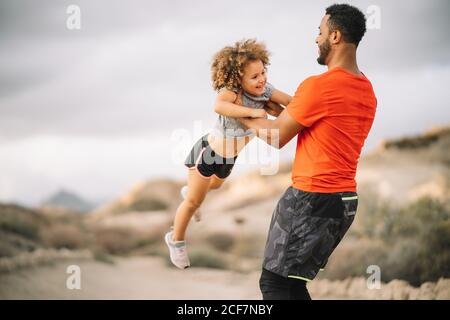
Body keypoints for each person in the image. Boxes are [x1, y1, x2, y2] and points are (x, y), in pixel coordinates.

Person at [239, 4, 377, 299]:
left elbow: (276, 137)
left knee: (274, 284)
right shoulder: (367, 89)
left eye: (320, 32)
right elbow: (316, 124)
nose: (316, 39)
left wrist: (239, 113)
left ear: (335, 36)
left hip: (311, 197)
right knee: (293, 283)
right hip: (344, 202)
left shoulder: (320, 86)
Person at [165, 39, 292, 269]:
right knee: (194, 202)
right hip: (208, 153)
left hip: (229, 158)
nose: (261, 79)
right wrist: (253, 113)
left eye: (263, 72)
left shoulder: (266, 91)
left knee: (215, 187)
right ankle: (176, 240)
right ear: (237, 79)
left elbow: (290, 104)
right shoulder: (232, 94)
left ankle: (191, 190)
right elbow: (219, 107)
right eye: (254, 77)